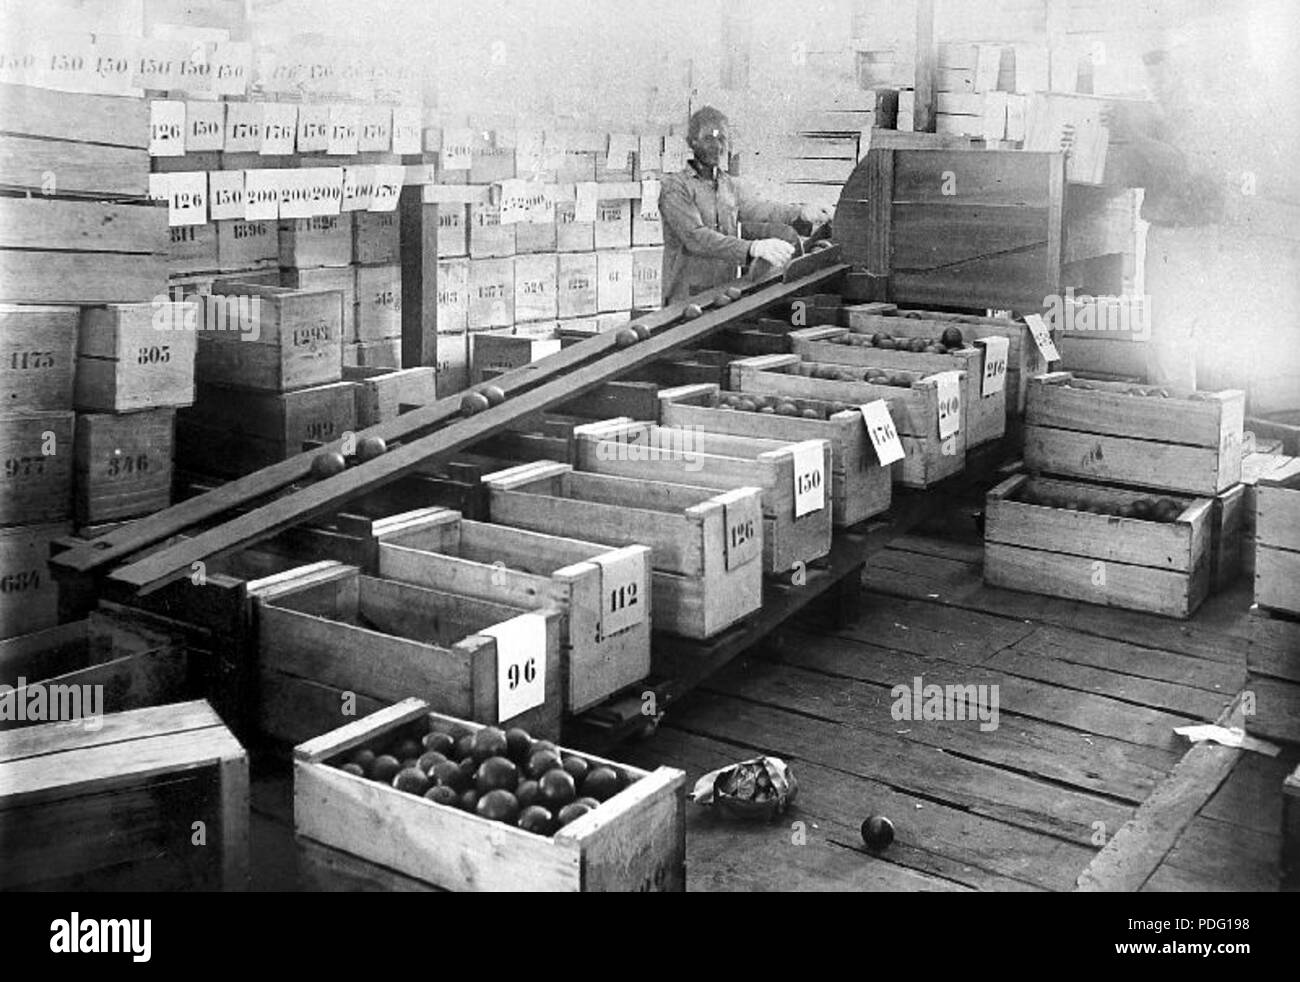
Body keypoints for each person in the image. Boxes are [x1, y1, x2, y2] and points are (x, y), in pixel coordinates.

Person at [658, 105, 834, 305]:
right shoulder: (675, 187)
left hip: (723, 294)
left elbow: (760, 209)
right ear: (692, 141)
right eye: (708, 138)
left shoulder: (729, 185)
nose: (716, 146)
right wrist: (752, 248)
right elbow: (696, 237)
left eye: (721, 138)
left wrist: (802, 212)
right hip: (684, 298)